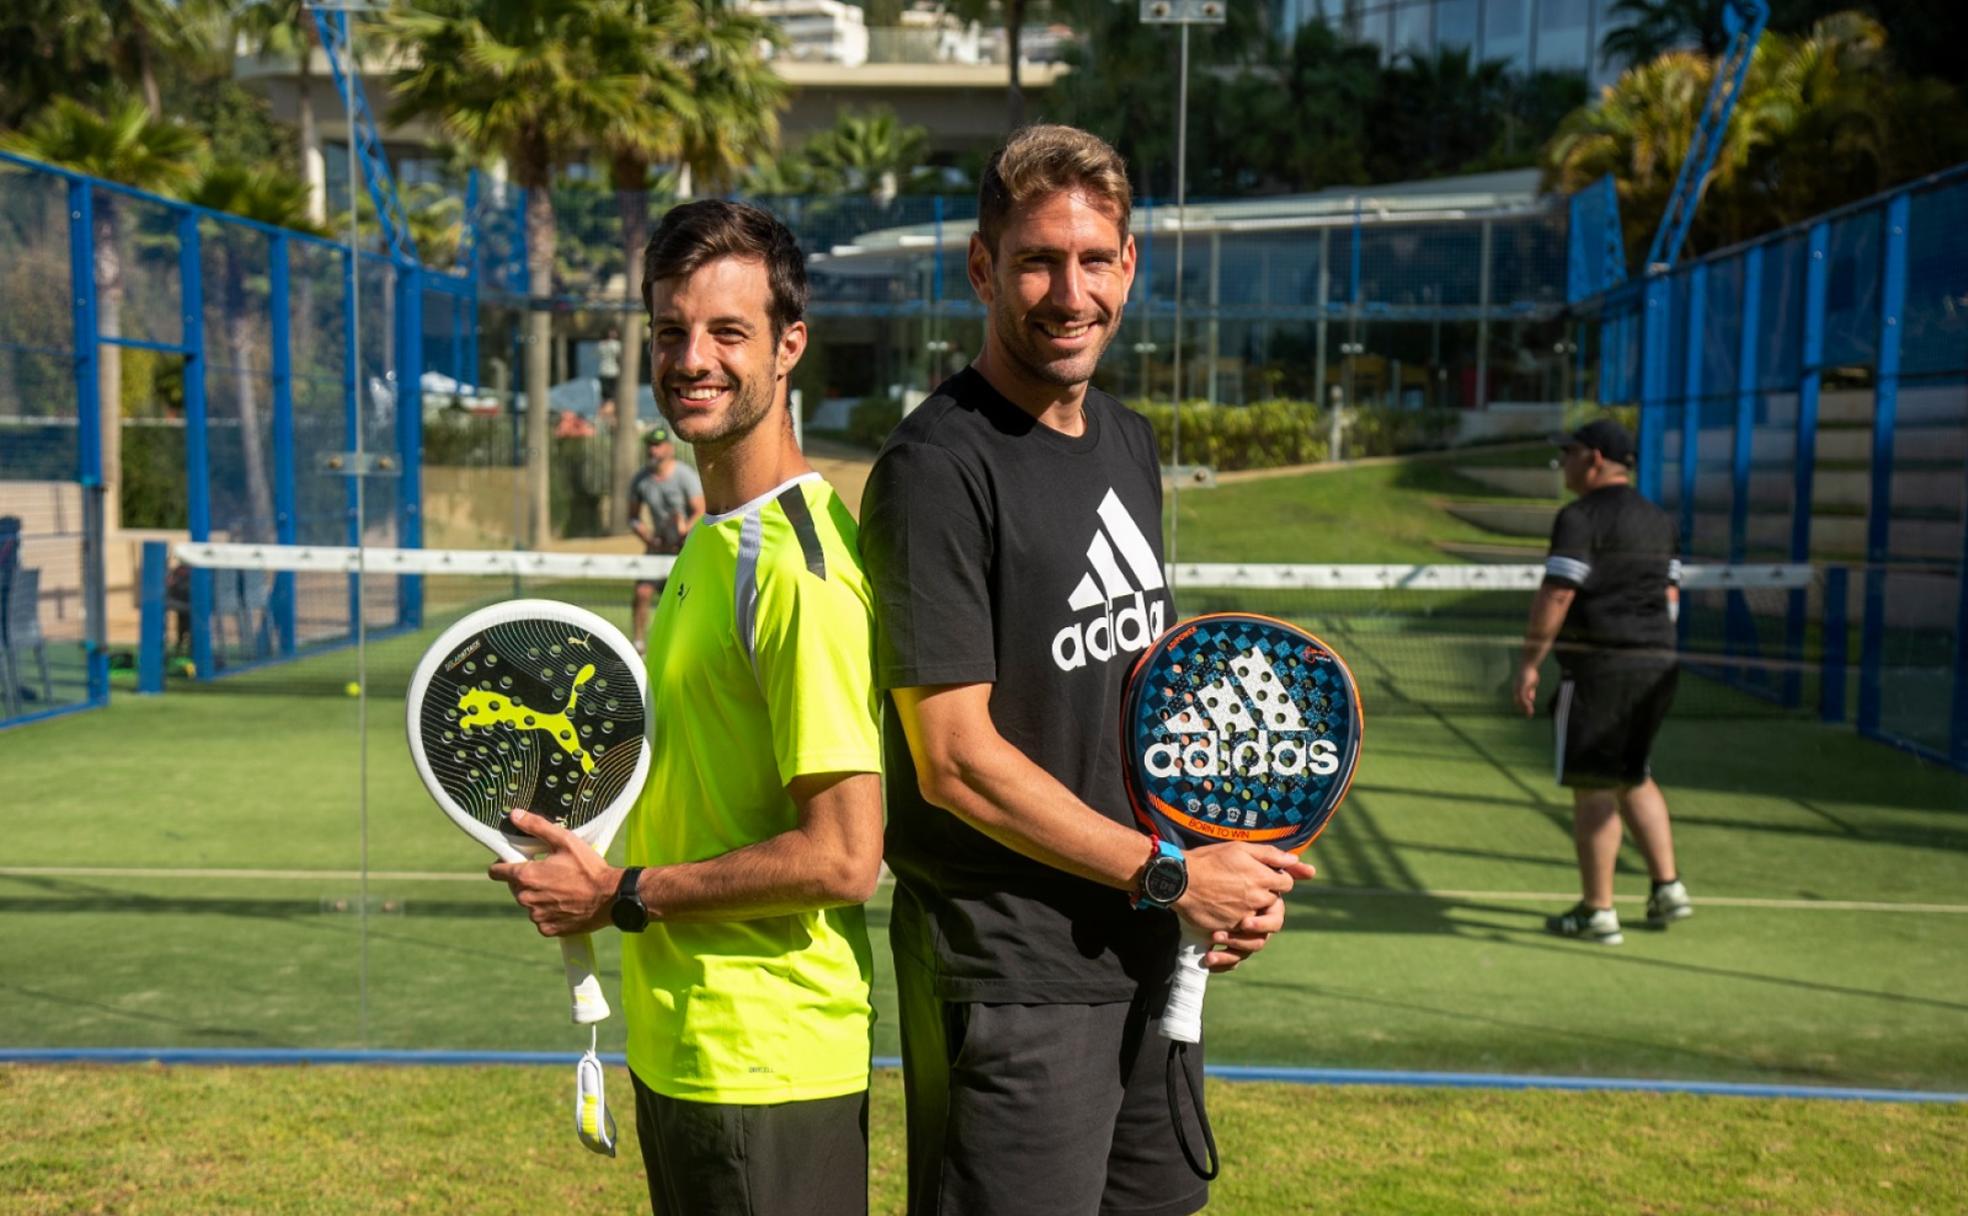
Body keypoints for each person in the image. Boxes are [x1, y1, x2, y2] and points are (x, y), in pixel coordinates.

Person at [857, 124, 1315, 1216]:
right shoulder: (936, 470)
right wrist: (1167, 873)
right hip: (1016, 974)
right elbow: (955, 762)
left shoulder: (1128, 440)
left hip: (1148, 952)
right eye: (1037, 261)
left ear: (1129, 267)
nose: (1070, 293)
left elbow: (1138, 706)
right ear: (982, 269)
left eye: (1094, 259)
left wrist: (1216, 865)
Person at [491, 199, 885, 1216]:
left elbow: (844, 857)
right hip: (685, 1047)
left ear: (791, 345)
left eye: (728, 332)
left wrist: (620, 891)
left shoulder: (799, 569)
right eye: (671, 332)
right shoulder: (711, 543)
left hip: (768, 1064)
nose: (692, 359)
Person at [1514, 418, 1693, 946]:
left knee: (1593, 786)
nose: (1562, 463)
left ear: (1592, 458)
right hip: (1658, 663)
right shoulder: (1657, 519)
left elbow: (1558, 594)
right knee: (1632, 774)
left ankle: (1598, 911)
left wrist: (1528, 662)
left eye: (1568, 453)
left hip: (1599, 669)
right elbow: (1671, 599)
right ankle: (1668, 886)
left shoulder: (1579, 516)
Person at [627, 422, 705, 651]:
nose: (654, 450)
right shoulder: (640, 479)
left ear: (669, 447)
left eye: (659, 445)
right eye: (651, 445)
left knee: (685, 599)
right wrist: (649, 538)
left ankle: (685, 644)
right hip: (657, 546)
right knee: (642, 592)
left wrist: (683, 532)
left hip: (684, 548)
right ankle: (639, 644)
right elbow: (633, 518)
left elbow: (700, 511)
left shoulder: (684, 476)